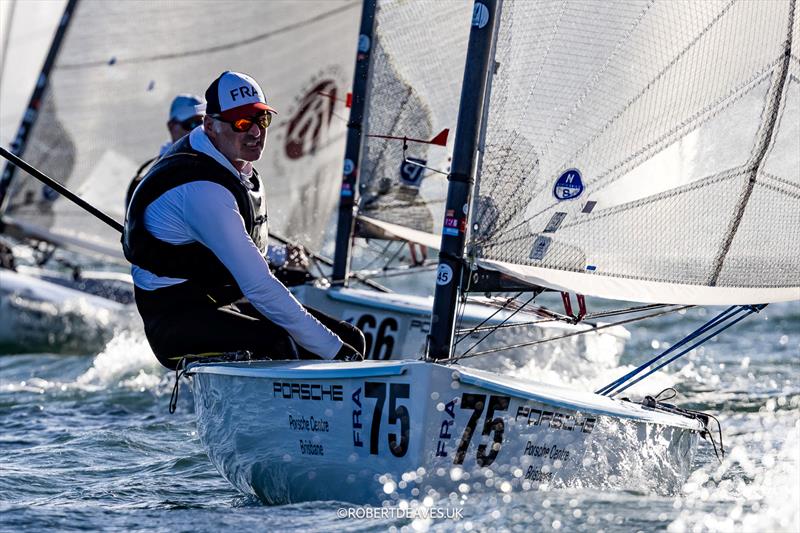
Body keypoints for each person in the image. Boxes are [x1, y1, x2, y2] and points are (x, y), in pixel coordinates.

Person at [123, 71, 364, 369]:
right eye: (241, 123)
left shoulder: (234, 165)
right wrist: (338, 355)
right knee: (280, 344)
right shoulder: (202, 190)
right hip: (174, 322)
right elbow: (259, 286)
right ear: (209, 126)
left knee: (352, 337)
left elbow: (249, 253)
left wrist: (341, 348)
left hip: (219, 303)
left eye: (261, 120)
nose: (255, 132)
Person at [124, 94, 206, 211]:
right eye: (191, 124)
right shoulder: (156, 176)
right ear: (171, 126)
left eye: (203, 123)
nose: (198, 130)